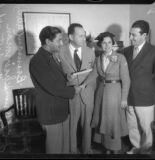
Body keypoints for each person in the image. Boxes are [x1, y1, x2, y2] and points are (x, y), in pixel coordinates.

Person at [29, 26, 82, 154]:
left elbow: (55, 79)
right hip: (51, 113)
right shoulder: (38, 61)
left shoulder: (50, 57)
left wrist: (67, 77)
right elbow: (52, 87)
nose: (62, 43)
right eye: (58, 40)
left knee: (63, 148)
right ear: (48, 42)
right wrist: (74, 90)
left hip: (60, 110)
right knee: (55, 149)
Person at [122, 20, 155, 154]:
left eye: (134, 35)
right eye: (130, 34)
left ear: (144, 35)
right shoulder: (126, 51)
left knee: (146, 128)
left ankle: (146, 152)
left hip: (145, 98)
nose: (130, 38)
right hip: (129, 96)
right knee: (132, 126)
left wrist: (149, 91)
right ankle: (136, 147)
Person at [83, 32, 130, 154]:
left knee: (113, 121)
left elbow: (126, 80)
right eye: (104, 43)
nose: (107, 45)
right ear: (100, 45)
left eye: (109, 42)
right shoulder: (98, 58)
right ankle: (107, 147)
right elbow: (94, 73)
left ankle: (115, 148)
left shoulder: (120, 58)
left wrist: (124, 98)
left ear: (113, 44)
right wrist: (83, 84)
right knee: (102, 119)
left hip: (115, 93)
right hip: (101, 93)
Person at [59, 23, 95, 154]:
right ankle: (72, 150)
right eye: (80, 36)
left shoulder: (90, 51)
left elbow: (94, 72)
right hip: (71, 94)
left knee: (87, 125)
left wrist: (85, 84)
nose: (84, 38)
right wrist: (66, 77)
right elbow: (57, 73)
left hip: (87, 93)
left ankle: (87, 149)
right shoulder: (60, 51)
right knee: (71, 125)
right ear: (71, 36)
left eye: (84, 35)